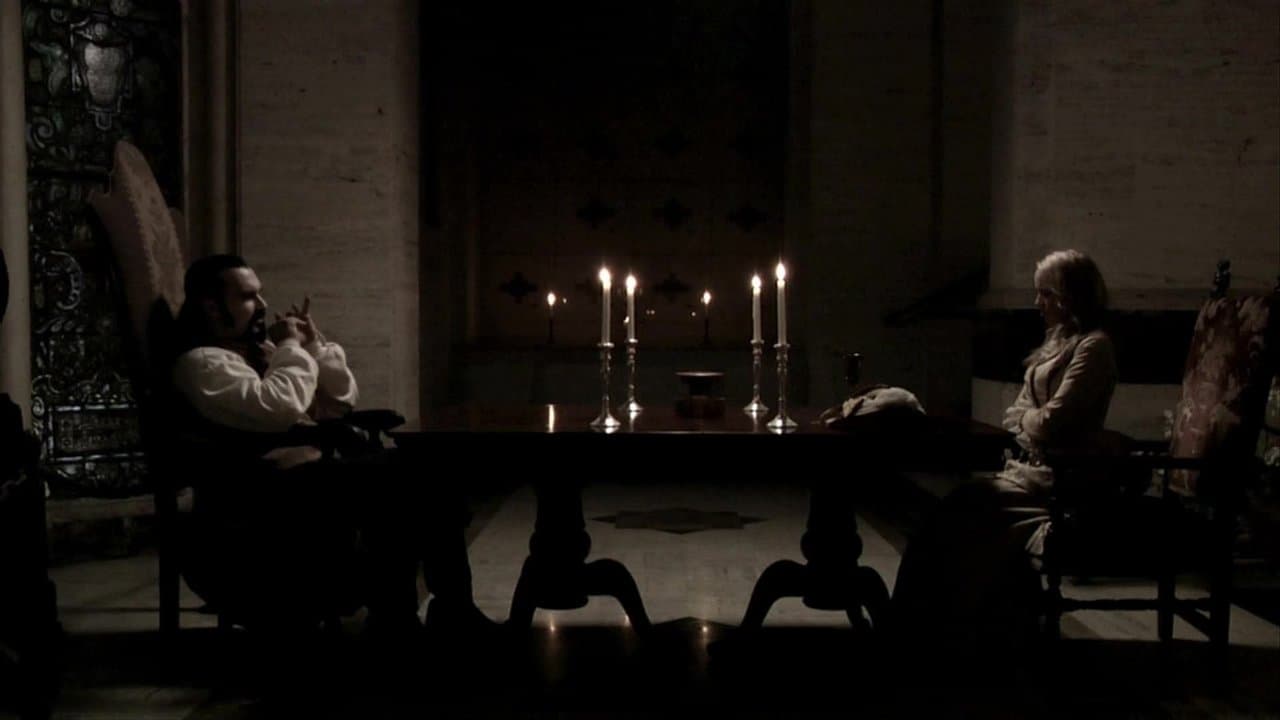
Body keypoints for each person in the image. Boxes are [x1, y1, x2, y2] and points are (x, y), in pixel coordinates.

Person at [168, 253, 489, 640]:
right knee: (413, 480)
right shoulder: (202, 363)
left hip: (307, 474)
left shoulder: (257, 353)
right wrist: (290, 348)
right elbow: (279, 406)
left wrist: (314, 348)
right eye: (248, 296)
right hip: (263, 487)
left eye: (260, 294)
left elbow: (339, 401)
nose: (264, 305)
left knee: (429, 473)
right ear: (210, 305)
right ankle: (408, 618)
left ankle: (433, 612)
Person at [890, 248, 1117, 655]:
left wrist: (1031, 421)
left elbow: (1052, 421)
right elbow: (1017, 415)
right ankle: (929, 627)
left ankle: (939, 631)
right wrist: (1031, 420)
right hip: (1027, 469)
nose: (1038, 303)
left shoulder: (1094, 348)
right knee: (944, 518)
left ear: (1069, 297)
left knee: (961, 513)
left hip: (1058, 481)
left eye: (1046, 294)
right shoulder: (1054, 346)